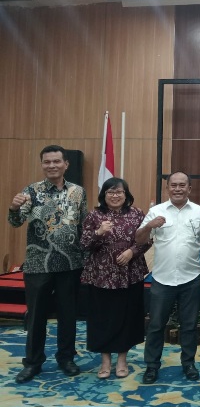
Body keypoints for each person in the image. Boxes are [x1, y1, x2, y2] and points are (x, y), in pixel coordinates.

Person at [8, 145, 88, 383]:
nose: (52, 165)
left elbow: (83, 226)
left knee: (68, 315)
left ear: (66, 164)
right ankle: (33, 362)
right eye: (47, 162)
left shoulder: (78, 192)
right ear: (42, 164)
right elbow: (16, 222)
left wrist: (87, 257)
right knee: (36, 317)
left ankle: (66, 358)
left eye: (56, 161)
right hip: (38, 265)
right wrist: (14, 207)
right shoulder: (31, 191)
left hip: (70, 264)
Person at [135, 171, 200, 384]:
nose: (178, 189)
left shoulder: (199, 212)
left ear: (189, 188)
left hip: (192, 279)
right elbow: (139, 239)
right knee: (156, 325)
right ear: (167, 188)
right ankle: (152, 366)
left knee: (189, 325)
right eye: (174, 185)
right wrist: (149, 226)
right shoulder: (156, 211)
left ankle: (188, 364)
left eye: (182, 185)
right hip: (162, 279)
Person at [80, 177, 151, 379]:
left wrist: (132, 251)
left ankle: (122, 360)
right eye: (110, 192)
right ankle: (105, 361)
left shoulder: (137, 214)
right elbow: (84, 244)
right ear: (104, 195)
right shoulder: (94, 215)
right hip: (101, 276)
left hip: (130, 275)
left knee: (126, 318)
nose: (115, 195)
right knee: (102, 318)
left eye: (119, 192)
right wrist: (98, 232)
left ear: (126, 195)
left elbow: (147, 240)